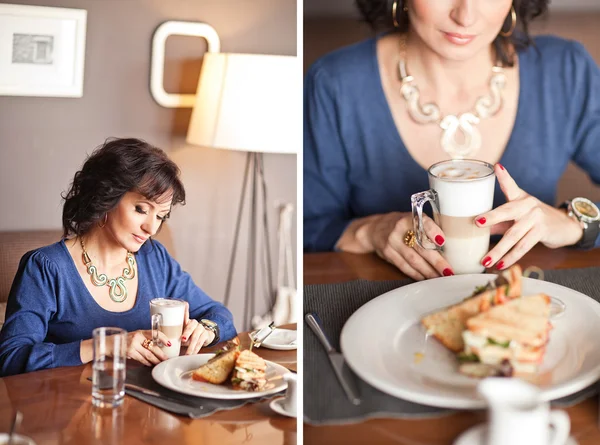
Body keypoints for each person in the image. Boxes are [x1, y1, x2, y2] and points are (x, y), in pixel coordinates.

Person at [304, 0, 600, 280]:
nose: (465, 16)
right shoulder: (335, 84)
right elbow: (305, 229)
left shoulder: (565, 70)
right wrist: (370, 231)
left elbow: (578, 225)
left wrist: (575, 223)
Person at [0, 138, 237, 376]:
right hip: (71, 407)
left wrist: (206, 330)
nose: (151, 229)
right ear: (106, 197)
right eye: (141, 209)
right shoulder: (46, 268)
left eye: (160, 216)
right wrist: (108, 344)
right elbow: (11, 358)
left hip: (148, 406)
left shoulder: (155, 259)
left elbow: (220, 315)